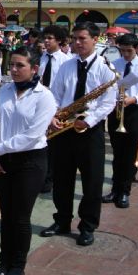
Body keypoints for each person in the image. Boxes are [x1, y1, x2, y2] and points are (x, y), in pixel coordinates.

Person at [0, 46, 57, 275]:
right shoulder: (3, 91)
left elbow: (33, 134)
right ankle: (3, 263)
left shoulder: (44, 96)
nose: (13, 70)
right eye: (11, 65)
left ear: (34, 69)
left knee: (20, 216)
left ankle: (18, 266)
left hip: (30, 161)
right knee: (6, 216)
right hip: (3, 160)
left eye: (19, 66)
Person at [40, 23, 117, 247]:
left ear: (95, 39)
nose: (77, 43)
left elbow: (108, 102)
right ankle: (62, 220)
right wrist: (53, 116)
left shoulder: (105, 68)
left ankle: (87, 226)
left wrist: (88, 121)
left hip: (89, 132)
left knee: (92, 182)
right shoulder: (66, 66)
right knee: (62, 179)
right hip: (64, 129)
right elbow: (55, 95)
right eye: (74, 38)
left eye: (82, 38)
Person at [102, 33, 138, 209]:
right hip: (116, 110)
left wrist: (134, 99)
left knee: (130, 152)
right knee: (117, 153)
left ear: (137, 49)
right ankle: (115, 188)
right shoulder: (114, 65)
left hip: (134, 111)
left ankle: (125, 190)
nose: (125, 54)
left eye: (129, 51)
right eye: (122, 50)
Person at [38, 25, 71, 194]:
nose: (46, 41)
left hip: (59, 107)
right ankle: (43, 176)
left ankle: (50, 178)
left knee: (55, 146)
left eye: (50, 38)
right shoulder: (42, 58)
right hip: (42, 105)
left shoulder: (66, 61)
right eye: (45, 38)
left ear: (59, 40)